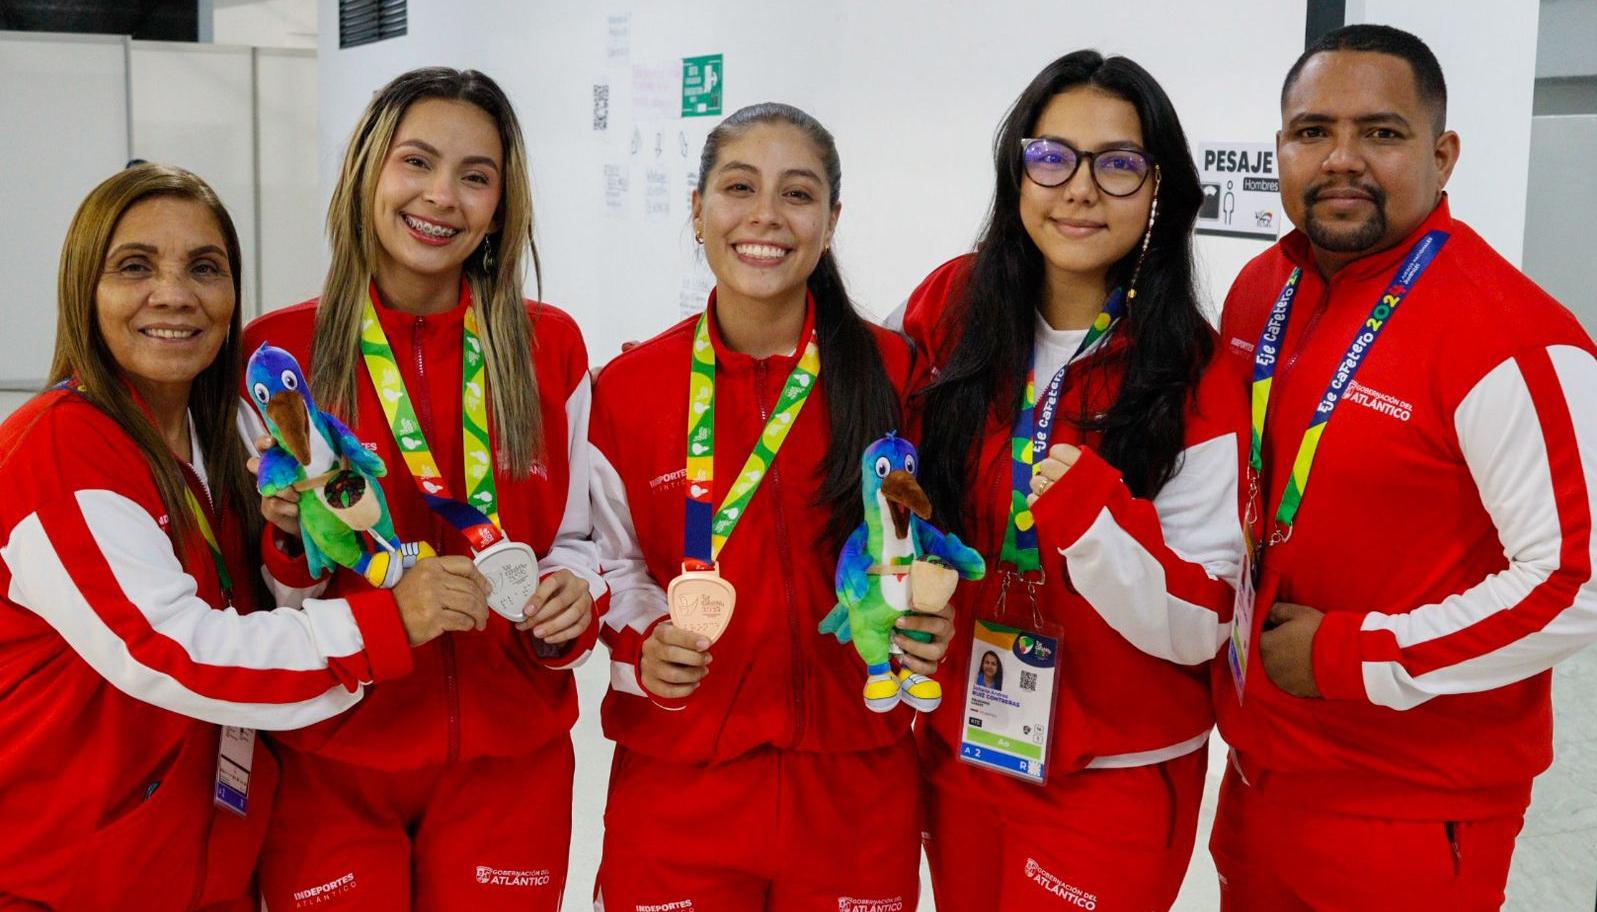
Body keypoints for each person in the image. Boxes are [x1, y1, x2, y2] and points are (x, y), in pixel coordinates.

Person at [0, 164, 482, 910]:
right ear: (83, 289)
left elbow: (250, 610)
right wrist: (390, 622)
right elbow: (174, 650)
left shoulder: (219, 437)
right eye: (135, 267)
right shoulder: (56, 452)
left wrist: (290, 545)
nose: (175, 294)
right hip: (72, 884)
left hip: (205, 869)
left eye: (205, 268)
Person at [1212, 24, 1597, 911]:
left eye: (1380, 133)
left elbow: (1572, 582)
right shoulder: (1261, 291)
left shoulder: (1509, 335)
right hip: (1261, 775)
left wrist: (1354, 655)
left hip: (1410, 809)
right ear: (1281, 148)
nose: (1341, 158)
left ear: (1442, 153)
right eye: (1312, 132)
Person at [243, 68, 606, 911]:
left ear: (500, 203)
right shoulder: (277, 358)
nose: (442, 197)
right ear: (368, 169)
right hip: (331, 757)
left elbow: (579, 542)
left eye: (475, 176)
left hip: (509, 762)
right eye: (417, 162)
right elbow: (267, 597)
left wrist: (571, 602)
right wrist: (292, 538)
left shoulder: (548, 347)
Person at [901, 50, 1247, 910]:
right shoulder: (948, 307)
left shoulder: (1194, 371)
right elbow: (900, 491)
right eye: (1051, 156)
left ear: (1158, 187)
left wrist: (1093, 521)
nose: (1078, 189)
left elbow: (1200, 624)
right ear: (1017, 170)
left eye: (1118, 164)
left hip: (1113, 777)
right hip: (964, 743)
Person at [590, 102, 950, 911]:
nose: (764, 216)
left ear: (830, 221)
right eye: (738, 187)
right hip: (682, 784)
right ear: (697, 210)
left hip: (856, 787)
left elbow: (931, 542)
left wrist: (932, 617)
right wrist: (641, 639)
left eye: (796, 194)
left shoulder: (894, 373)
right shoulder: (629, 389)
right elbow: (606, 560)